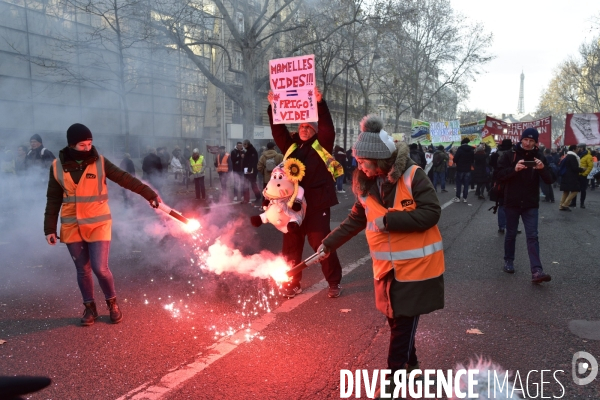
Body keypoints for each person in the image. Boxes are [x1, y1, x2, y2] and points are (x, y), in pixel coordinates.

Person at [320, 115, 444, 389]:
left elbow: (431, 213)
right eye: (358, 161)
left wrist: (390, 220)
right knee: (396, 322)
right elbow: (355, 219)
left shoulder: (413, 175)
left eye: (363, 162)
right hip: (387, 270)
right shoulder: (366, 184)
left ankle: (393, 386)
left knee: (401, 325)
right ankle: (412, 367)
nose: (358, 166)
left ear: (379, 160)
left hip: (417, 269)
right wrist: (328, 244)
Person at [44, 123, 160, 326]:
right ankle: (90, 308)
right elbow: (53, 199)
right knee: (83, 270)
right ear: (71, 145)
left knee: (100, 268)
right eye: (82, 145)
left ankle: (112, 304)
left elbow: (126, 179)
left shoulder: (100, 162)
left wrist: (148, 193)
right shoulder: (56, 167)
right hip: (71, 226)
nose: (88, 148)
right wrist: (49, 229)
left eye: (90, 143)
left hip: (98, 223)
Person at [268, 87, 344, 299]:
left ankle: (334, 281)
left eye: (308, 127)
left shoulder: (323, 146)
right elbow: (278, 131)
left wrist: (320, 104)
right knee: (291, 246)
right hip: (293, 207)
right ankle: (292, 283)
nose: (304, 129)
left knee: (321, 244)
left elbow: (329, 130)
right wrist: (273, 106)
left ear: (314, 130)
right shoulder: (291, 147)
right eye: (301, 126)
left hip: (317, 205)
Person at [496, 128, 553, 283]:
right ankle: (508, 261)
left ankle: (537, 270)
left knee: (532, 236)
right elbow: (499, 175)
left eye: (532, 141)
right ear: (521, 140)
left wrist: (542, 170)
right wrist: (514, 169)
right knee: (511, 234)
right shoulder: (509, 155)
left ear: (536, 142)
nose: (528, 143)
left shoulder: (540, 156)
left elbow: (550, 180)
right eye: (526, 140)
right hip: (512, 202)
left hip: (530, 203)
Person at [568, 143, 592, 209]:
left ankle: (582, 203)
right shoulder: (576, 155)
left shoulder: (588, 156)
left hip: (583, 175)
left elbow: (590, 166)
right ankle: (573, 203)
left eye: (579, 147)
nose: (578, 149)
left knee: (583, 190)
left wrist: (584, 174)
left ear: (582, 148)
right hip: (576, 174)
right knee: (574, 189)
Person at [558, 145, 581, 211]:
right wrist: (582, 169)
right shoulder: (573, 157)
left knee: (566, 191)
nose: (578, 149)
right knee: (576, 190)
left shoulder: (567, 156)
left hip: (565, 176)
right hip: (571, 177)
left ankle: (561, 206)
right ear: (574, 149)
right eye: (577, 148)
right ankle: (565, 204)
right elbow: (574, 168)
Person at [452, 137, 475, 203]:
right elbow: (472, 160)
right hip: (467, 169)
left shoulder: (460, 149)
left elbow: (455, 159)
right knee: (466, 184)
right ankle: (465, 198)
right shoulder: (471, 150)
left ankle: (458, 197)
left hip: (460, 168)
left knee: (458, 183)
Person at [241, 140, 262, 205]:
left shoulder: (252, 150)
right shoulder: (250, 150)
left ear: (246, 144)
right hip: (249, 170)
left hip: (250, 171)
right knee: (252, 184)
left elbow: (252, 161)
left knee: (249, 185)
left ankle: (247, 199)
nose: (243, 146)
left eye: (244, 145)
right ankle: (257, 196)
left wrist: (249, 170)